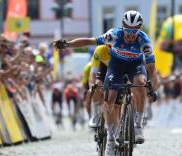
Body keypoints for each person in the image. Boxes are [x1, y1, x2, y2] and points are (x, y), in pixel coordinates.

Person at [53, 10, 156, 155]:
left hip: (135, 66)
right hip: (116, 66)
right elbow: (89, 41)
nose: (131, 35)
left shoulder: (144, 41)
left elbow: (151, 67)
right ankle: (111, 140)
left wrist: (152, 87)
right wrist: (68, 44)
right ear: (122, 27)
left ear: (139, 29)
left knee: (140, 84)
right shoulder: (113, 35)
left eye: (135, 31)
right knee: (109, 100)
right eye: (128, 30)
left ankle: (138, 125)